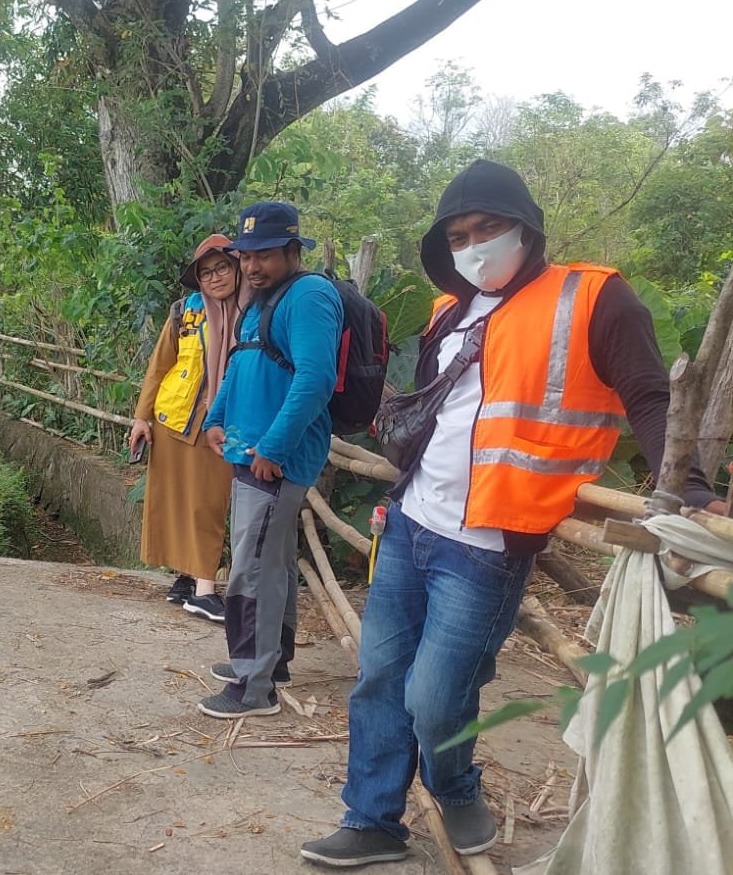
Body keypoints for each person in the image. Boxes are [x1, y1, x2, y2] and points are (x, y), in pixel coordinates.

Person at [300, 160, 728, 868]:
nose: (474, 244)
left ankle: (457, 785)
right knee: (380, 677)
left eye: (488, 227)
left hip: (491, 542)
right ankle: (372, 817)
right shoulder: (448, 309)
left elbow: (651, 397)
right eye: (460, 234)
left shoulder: (593, 297)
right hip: (413, 523)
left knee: (437, 694)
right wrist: (397, 488)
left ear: (525, 227)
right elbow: (437, 413)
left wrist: (691, 486)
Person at [199, 202, 343, 719]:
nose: (253, 266)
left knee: (252, 570)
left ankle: (252, 686)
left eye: (264, 255)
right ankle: (270, 663)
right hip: (251, 450)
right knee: (271, 563)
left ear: (291, 250)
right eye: (246, 255)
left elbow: (314, 379)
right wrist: (216, 416)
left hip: (274, 459)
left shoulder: (309, 295)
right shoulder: (263, 300)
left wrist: (275, 449)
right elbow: (243, 359)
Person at [129, 234, 246, 622]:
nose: (214, 278)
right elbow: (159, 366)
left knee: (207, 505)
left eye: (222, 268)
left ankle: (203, 588)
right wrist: (141, 417)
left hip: (221, 426)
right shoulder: (186, 312)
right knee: (175, 502)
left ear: (237, 266)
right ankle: (188, 582)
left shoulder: (254, 311)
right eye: (206, 272)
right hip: (173, 417)